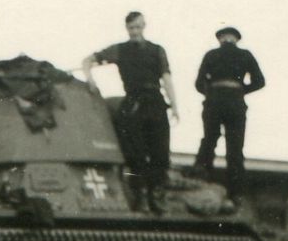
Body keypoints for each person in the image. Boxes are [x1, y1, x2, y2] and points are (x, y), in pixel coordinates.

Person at [83, 11, 179, 214]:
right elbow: (88, 60)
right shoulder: (119, 50)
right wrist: (90, 79)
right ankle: (140, 197)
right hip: (133, 102)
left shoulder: (157, 50)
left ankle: (156, 197)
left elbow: (166, 77)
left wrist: (174, 105)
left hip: (155, 101)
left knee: (160, 152)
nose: (134, 31)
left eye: (137, 27)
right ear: (127, 28)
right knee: (135, 153)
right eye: (131, 28)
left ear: (144, 26)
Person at [192, 26, 265, 207]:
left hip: (214, 102)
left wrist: (212, 92)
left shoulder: (211, 55)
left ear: (220, 39)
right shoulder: (245, 55)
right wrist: (240, 90)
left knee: (209, 140)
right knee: (235, 148)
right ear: (236, 39)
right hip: (235, 103)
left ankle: (200, 182)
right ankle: (236, 193)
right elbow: (259, 81)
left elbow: (199, 83)